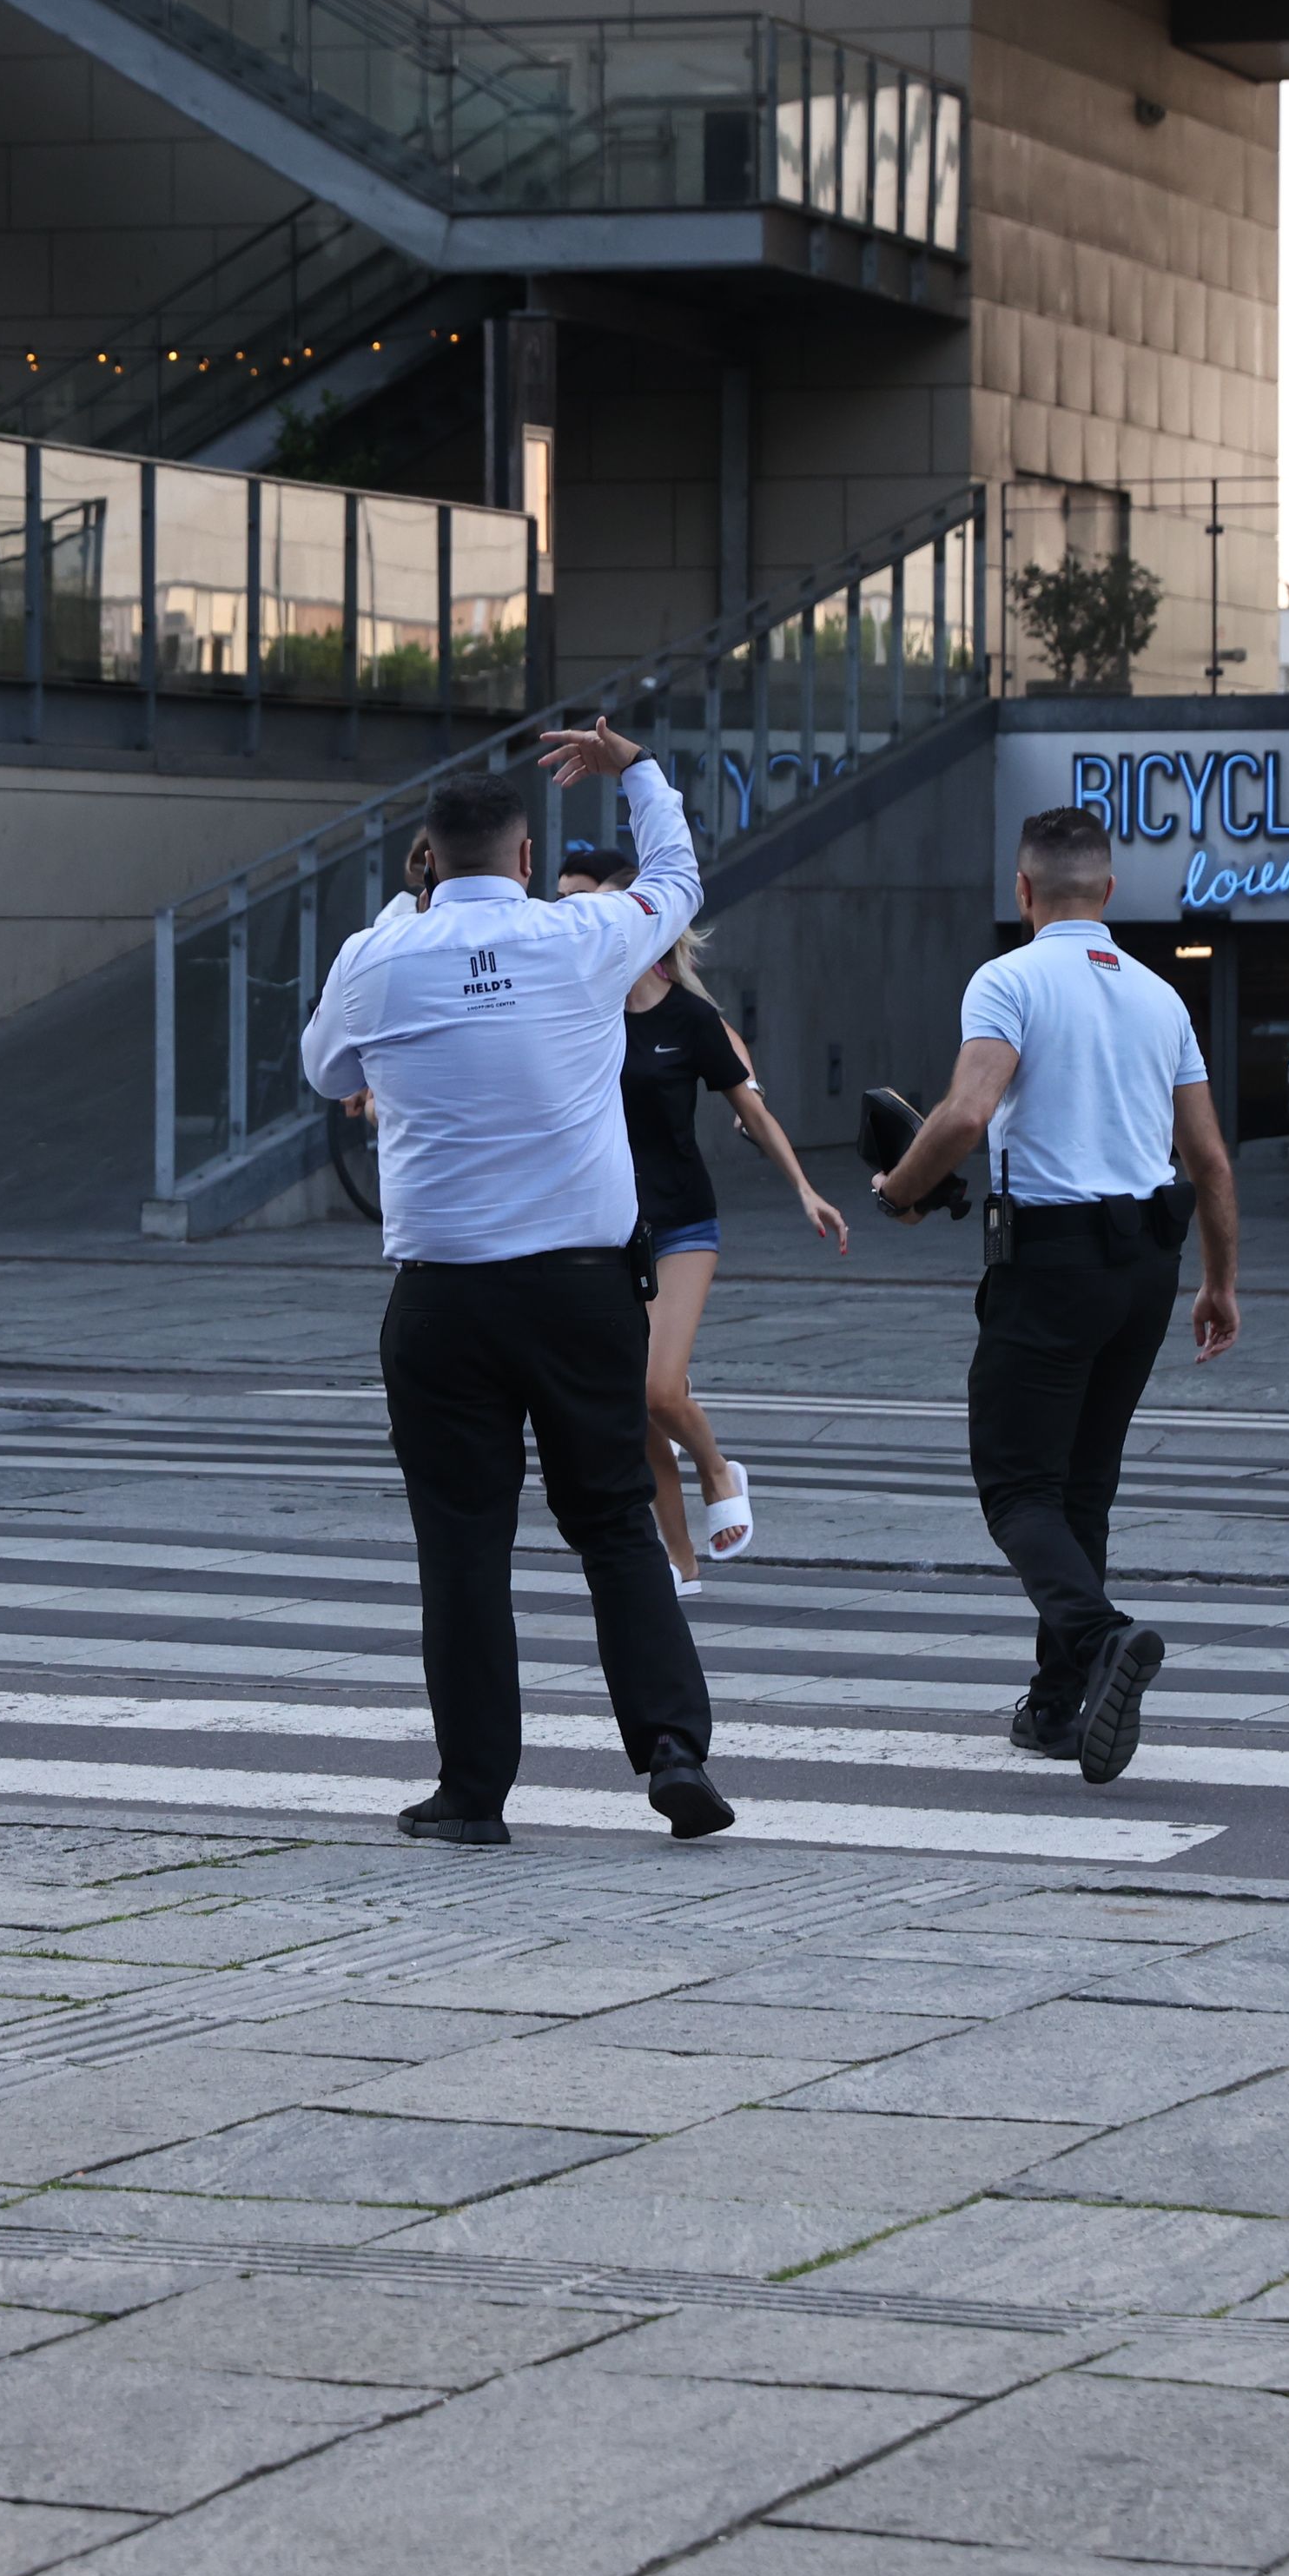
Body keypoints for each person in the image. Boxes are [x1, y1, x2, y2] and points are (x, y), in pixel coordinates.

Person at [301, 723, 731, 1848]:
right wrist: (637, 771)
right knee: (616, 1519)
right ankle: (673, 1747)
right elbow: (679, 879)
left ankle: (473, 1791)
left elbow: (324, 1067)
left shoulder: (377, 955)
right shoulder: (583, 935)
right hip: (582, 1290)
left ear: (429, 858)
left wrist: (408, 910)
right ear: (529, 858)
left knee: (462, 1544)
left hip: (444, 1299)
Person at [863, 807, 1243, 1788]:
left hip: (1052, 1262)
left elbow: (967, 1113)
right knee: (1083, 1488)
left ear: (1023, 890)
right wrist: (1220, 1281)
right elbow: (1208, 1158)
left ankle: (1103, 1636)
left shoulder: (1009, 979)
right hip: (1148, 1268)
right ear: (1109, 892)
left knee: (1017, 1487)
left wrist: (899, 1191)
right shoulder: (1162, 995)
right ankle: (1056, 1704)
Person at [556, 850, 851, 1580]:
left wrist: (805, 1188)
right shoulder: (582, 1014)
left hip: (683, 1223)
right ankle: (681, 1564)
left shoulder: (690, 1018)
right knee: (634, 1407)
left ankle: (718, 1470)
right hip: (610, 1230)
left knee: (659, 1388)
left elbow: (753, 1108)